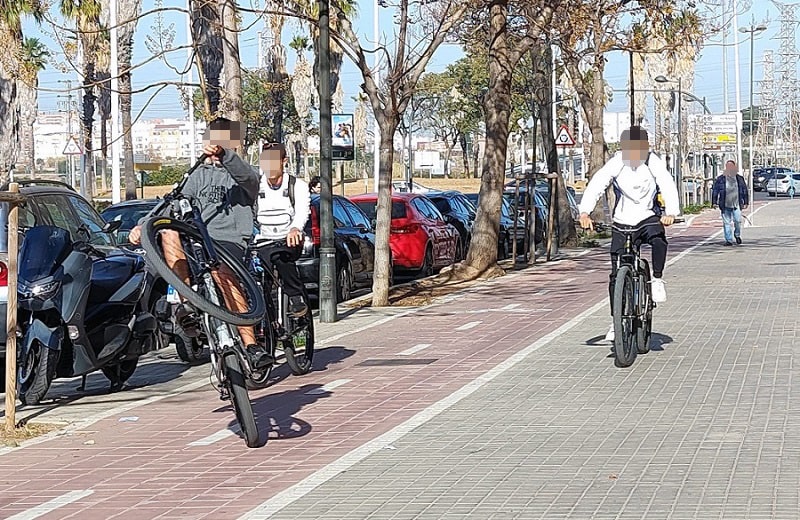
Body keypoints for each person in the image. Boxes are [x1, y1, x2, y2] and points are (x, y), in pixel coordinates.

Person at [129, 117, 273, 369]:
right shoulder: (195, 175)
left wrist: (225, 155)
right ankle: (185, 306)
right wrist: (143, 224)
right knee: (168, 231)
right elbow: (170, 203)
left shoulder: (242, 173)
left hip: (228, 241)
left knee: (223, 274)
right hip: (197, 242)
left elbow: (249, 180)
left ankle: (251, 346)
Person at [577, 126, 680, 341]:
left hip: (648, 217)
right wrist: (585, 212)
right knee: (615, 275)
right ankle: (616, 320)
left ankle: (657, 279)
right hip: (622, 221)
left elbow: (667, 185)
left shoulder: (654, 163)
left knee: (659, 240)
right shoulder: (616, 162)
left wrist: (671, 212)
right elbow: (597, 184)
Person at [254, 142, 311, 318]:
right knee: (258, 276)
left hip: (288, 239)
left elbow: (302, 211)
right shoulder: (255, 185)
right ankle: (264, 318)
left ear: (283, 161)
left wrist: (295, 228)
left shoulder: (297, 185)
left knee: (281, 258)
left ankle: (296, 297)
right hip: (263, 240)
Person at [711, 160, 749, 246]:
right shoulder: (721, 179)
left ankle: (737, 235)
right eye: (728, 166)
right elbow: (715, 190)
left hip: (737, 204)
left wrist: (746, 201)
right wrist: (714, 201)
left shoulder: (739, 178)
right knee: (726, 223)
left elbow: (744, 190)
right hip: (725, 204)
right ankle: (729, 240)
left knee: (737, 221)